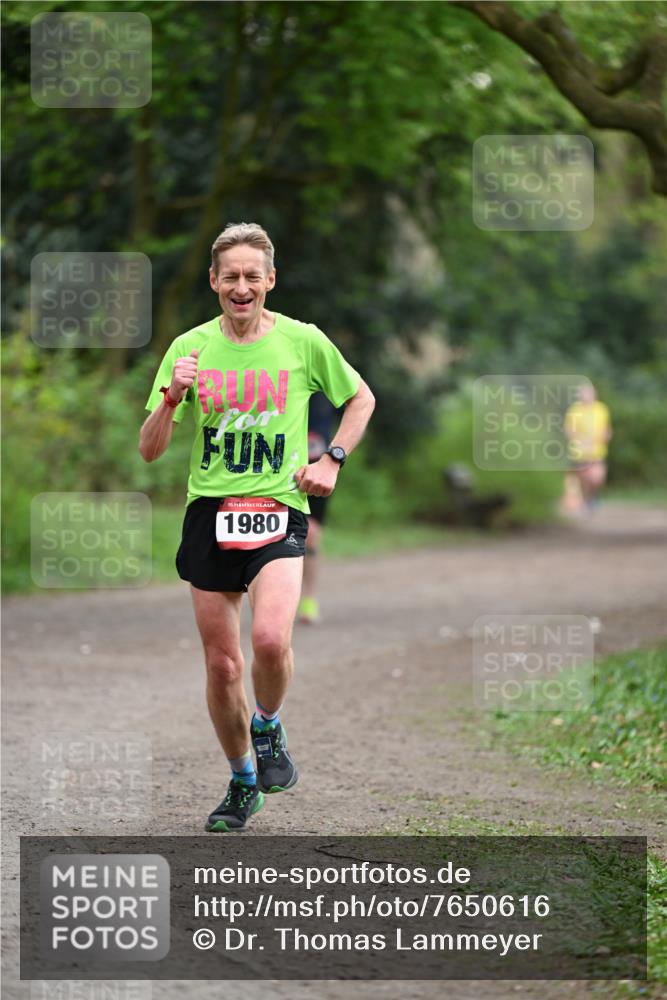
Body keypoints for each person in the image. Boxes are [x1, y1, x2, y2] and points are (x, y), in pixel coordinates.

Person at [139, 222, 375, 832]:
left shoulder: (302, 341)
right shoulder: (188, 348)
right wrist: (170, 399)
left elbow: (361, 399)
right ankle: (244, 781)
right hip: (209, 515)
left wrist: (332, 460)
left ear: (269, 280)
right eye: (230, 276)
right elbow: (149, 451)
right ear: (214, 281)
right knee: (223, 666)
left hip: (278, 510)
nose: (241, 287)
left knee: (270, 640)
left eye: (252, 276)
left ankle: (267, 725)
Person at [298, 393, 337, 624]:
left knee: (310, 535)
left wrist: (337, 454)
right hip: (282, 466)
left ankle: (308, 600)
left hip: (319, 469)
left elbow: (360, 408)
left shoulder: (330, 384)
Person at [563, 384, 612, 512]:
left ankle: (591, 497)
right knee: (582, 478)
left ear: (594, 394)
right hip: (579, 452)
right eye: (583, 394)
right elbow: (569, 430)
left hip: (597, 451)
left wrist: (603, 437)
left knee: (597, 477)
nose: (586, 396)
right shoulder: (574, 410)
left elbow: (606, 429)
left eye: (588, 393)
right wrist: (580, 440)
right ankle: (586, 499)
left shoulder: (601, 409)